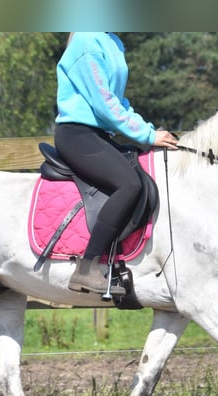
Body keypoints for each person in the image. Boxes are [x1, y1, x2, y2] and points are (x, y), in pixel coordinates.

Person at [54, 32, 178, 295]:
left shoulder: (112, 41)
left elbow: (119, 101)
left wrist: (146, 130)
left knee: (139, 172)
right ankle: (86, 268)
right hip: (77, 134)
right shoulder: (86, 41)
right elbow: (105, 104)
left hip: (98, 135)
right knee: (129, 184)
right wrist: (147, 135)